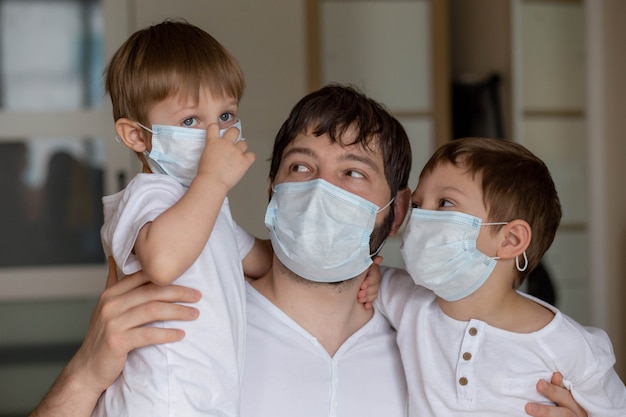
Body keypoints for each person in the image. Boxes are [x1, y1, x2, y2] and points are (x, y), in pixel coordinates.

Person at [30, 85, 589, 417]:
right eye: (301, 167)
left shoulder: (431, 340)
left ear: (396, 214)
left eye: (352, 173)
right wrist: (83, 374)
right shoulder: (188, 318)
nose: (321, 188)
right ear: (273, 192)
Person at [93, 19, 272, 417]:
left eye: (226, 116)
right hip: (156, 401)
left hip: (205, 400)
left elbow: (261, 262)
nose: (215, 134)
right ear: (137, 136)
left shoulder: (208, 207)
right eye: (190, 121)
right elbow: (163, 261)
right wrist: (212, 180)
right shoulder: (147, 196)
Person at [376, 137, 626, 415]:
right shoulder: (405, 300)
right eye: (418, 206)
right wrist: (372, 278)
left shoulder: (570, 347)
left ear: (511, 239)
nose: (421, 219)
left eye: (445, 203)